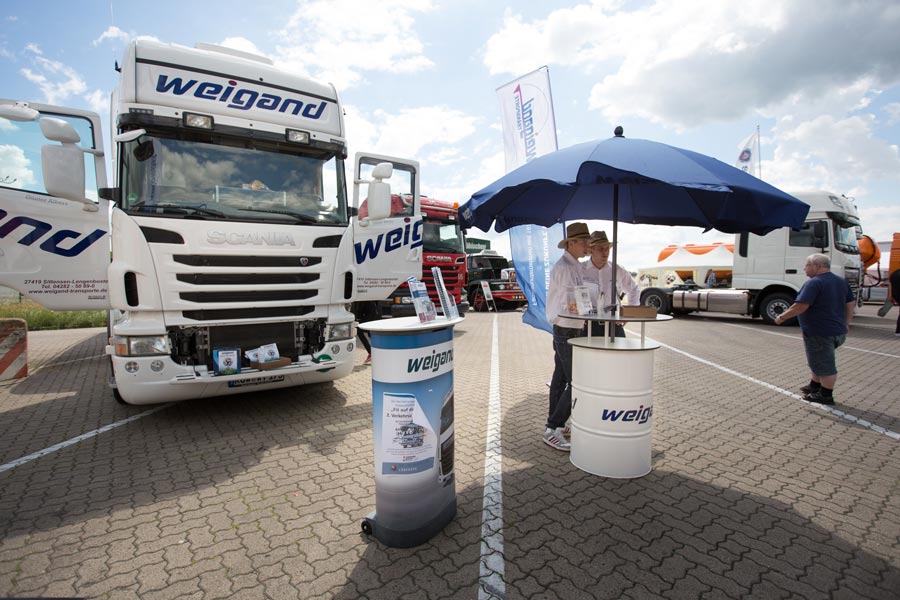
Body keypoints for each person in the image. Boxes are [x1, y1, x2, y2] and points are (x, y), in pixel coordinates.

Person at [774, 254, 855, 405]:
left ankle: (825, 394)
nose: (804, 268)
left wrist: (782, 317)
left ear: (816, 266)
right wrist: (846, 323)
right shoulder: (841, 281)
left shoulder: (814, 283)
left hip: (820, 332)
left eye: (807, 265)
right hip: (838, 331)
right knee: (818, 359)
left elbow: (800, 306)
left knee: (825, 364)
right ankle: (814, 385)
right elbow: (850, 303)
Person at [543, 222, 592, 451]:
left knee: (561, 379)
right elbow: (569, 303)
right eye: (584, 242)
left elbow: (577, 300)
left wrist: (587, 307)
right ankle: (553, 426)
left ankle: (554, 426)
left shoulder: (575, 266)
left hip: (570, 327)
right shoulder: (565, 267)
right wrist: (587, 308)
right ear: (571, 243)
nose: (588, 246)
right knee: (577, 381)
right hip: (566, 327)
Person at [582, 230, 640, 338]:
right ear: (591, 250)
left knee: (619, 349)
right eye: (600, 249)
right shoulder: (581, 270)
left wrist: (629, 314)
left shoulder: (617, 270)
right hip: (587, 325)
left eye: (607, 249)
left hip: (613, 324)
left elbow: (634, 289)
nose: (605, 253)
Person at [876, 269, 900, 336]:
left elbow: (890, 285)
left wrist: (890, 296)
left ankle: (898, 331)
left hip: (896, 296)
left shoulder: (894, 273)